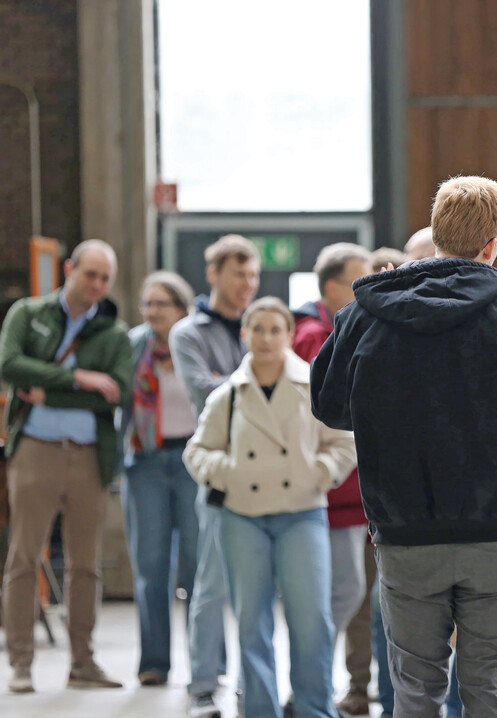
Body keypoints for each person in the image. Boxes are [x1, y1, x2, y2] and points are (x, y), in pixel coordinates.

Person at [311, 175, 497, 717]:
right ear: (491, 245)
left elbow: (328, 403)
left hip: (404, 527)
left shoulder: (368, 311)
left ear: (436, 233)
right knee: (488, 692)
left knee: (414, 692)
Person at [184, 297, 356, 718]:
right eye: (257, 329)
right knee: (250, 620)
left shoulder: (312, 384)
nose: (265, 338)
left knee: (312, 618)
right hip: (242, 514)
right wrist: (228, 472)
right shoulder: (228, 394)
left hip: (303, 511)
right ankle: (260, 709)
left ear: (289, 334)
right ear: (244, 333)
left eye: (275, 329)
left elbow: (345, 442)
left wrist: (319, 473)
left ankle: (315, 707)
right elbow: (196, 452)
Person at [0, 239, 133, 693]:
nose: (96, 284)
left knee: (86, 564)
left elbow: (119, 389)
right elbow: (9, 365)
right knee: (23, 557)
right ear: (69, 268)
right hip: (35, 449)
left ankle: (83, 663)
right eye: (89, 274)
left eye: (105, 278)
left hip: (88, 455)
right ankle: (20, 663)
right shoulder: (28, 313)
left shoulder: (114, 334)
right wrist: (78, 378)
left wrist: (50, 390)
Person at [170, 233, 261, 718]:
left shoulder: (258, 325)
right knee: (212, 582)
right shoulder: (188, 333)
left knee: (255, 589)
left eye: (252, 275)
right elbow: (205, 393)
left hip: (267, 473)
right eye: (238, 274)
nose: (247, 284)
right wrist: (261, 380)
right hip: (220, 471)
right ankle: (203, 685)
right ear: (214, 274)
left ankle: (253, 686)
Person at [291, 242, 374, 716]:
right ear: (331, 287)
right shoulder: (312, 338)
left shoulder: (356, 327)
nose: (367, 290)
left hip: (357, 490)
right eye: (357, 281)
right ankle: (310, 684)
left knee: (355, 597)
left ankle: (340, 686)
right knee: (336, 596)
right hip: (330, 493)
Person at [121, 271, 201, 687]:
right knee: (151, 568)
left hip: (191, 459)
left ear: (182, 309)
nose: (152, 312)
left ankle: (205, 665)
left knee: (196, 566)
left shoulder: (195, 345)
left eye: (161, 304)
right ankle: (153, 663)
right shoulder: (133, 345)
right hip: (146, 461)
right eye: (147, 304)